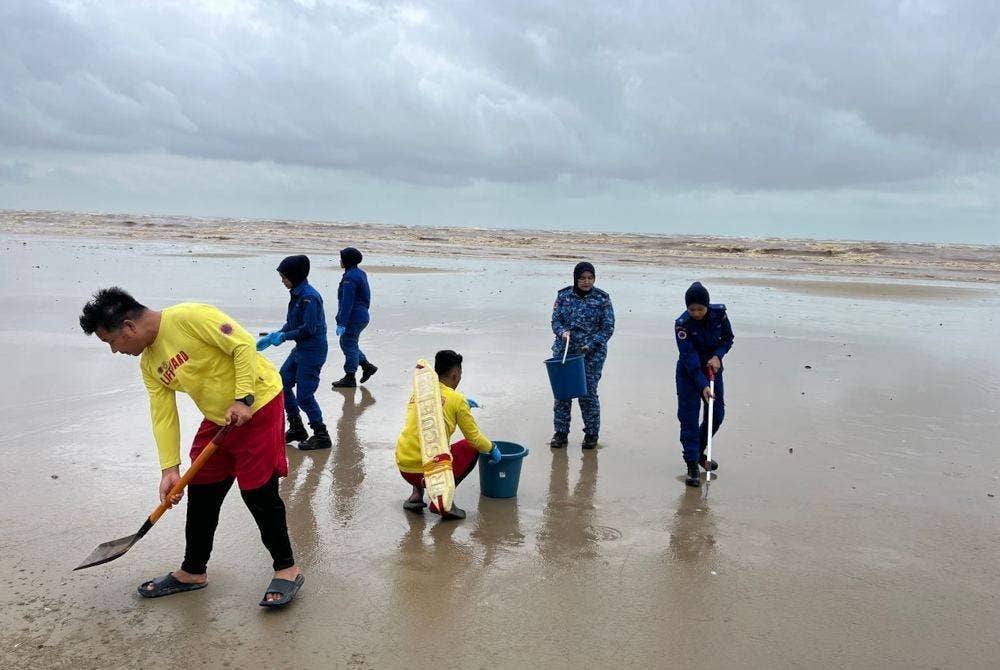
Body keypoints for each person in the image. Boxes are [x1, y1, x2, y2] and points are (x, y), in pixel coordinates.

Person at [79, 287, 304, 607]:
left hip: (259, 405)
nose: (115, 351)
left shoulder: (189, 317)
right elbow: (163, 414)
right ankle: (193, 570)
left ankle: (287, 569)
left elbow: (242, 345)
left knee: (258, 492)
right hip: (218, 418)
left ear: (128, 327)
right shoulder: (149, 365)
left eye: (111, 342)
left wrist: (243, 398)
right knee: (202, 490)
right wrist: (169, 469)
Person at [394, 350, 501, 520]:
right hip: (427, 472)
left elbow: (429, 412)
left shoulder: (419, 393)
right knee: (471, 446)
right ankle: (442, 500)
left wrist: (461, 403)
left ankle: (416, 495)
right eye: (460, 375)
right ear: (455, 374)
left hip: (405, 466)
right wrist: (492, 447)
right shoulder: (456, 399)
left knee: (423, 438)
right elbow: (475, 438)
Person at [256, 254, 330, 450]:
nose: (282, 281)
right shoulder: (297, 293)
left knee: (305, 395)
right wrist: (275, 335)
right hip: (301, 348)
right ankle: (297, 427)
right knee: (282, 383)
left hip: (313, 351)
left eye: (284, 277)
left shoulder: (309, 297)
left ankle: (321, 434)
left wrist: (284, 337)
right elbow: (293, 323)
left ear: (294, 276)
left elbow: (309, 329)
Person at [549, 261, 615, 449]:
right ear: (576, 279)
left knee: (588, 394)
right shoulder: (563, 296)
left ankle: (591, 435)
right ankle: (560, 434)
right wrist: (562, 332)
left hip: (592, 355)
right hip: (565, 352)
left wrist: (591, 344)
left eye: (590, 278)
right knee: (563, 394)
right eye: (582, 278)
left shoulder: (602, 299)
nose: (586, 282)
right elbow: (555, 321)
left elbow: (608, 328)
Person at [674, 281, 734, 487]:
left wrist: (718, 356)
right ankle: (691, 464)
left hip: (712, 370)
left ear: (707, 306)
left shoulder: (719, 315)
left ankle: (698, 450)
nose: (697, 313)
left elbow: (728, 338)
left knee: (717, 414)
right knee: (688, 417)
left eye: (700, 309)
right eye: (692, 309)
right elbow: (689, 358)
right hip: (689, 374)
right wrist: (702, 385)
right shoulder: (682, 324)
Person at [331, 247, 377, 388]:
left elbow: (347, 302)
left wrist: (342, 322)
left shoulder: (350, 278)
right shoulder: (359, 273)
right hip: (361, 315)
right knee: (349, 343)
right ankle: (366, 366)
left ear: (346, 260)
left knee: (348, 344)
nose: (340, 260)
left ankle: (350, 376)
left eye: (342, 258)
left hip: (354, 317)